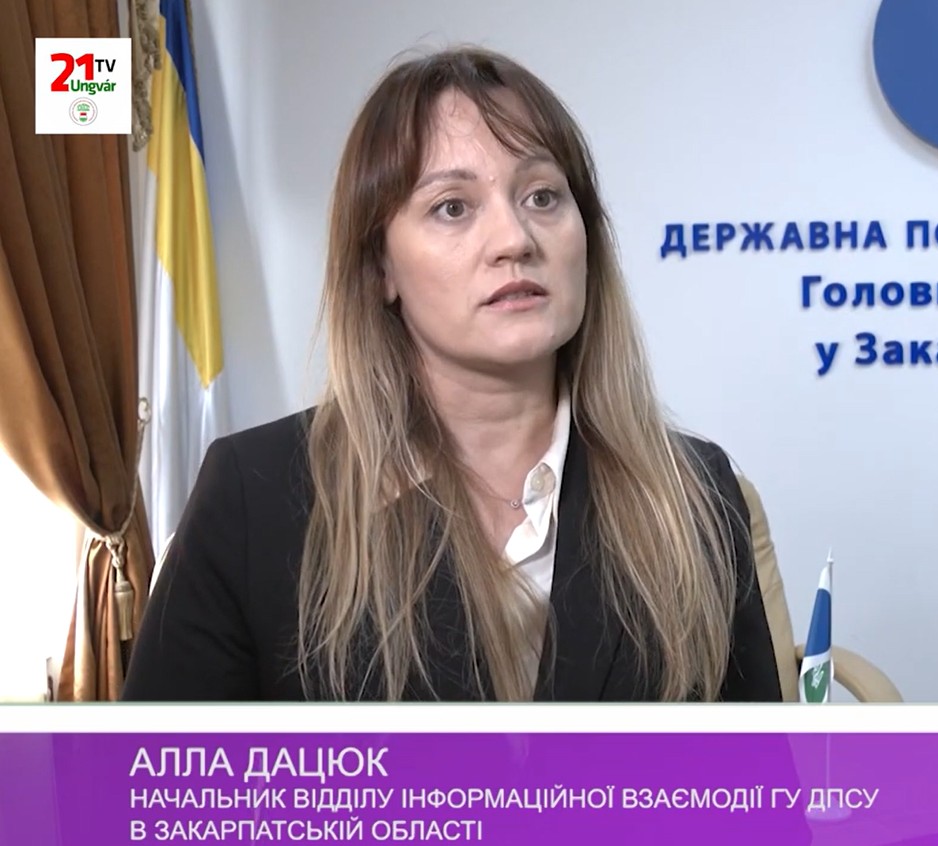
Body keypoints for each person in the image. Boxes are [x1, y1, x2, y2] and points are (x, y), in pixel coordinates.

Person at [121, 46, 783, 702]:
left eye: (542, 196)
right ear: (379, 267)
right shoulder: (252, 496)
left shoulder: (694, 496)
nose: (515, 239)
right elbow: (165, 773)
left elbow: (749, 773)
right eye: (452, 207)